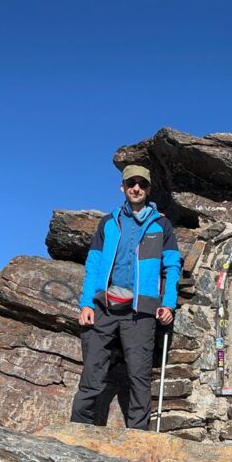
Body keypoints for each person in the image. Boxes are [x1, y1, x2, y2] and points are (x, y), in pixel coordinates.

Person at [70, 165, 181, 430]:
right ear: (123, 187)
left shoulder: (161, 225)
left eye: (142, 184)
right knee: (92, 374)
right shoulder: (109, 223)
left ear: (148, 189)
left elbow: (172, 267)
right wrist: (86, 304)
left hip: (141, 313)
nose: (136, 188)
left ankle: (138, 437)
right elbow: (94, 265)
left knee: (139, 378)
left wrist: (168, 304)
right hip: (104, 308)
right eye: (131, 183)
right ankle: (76, 431)